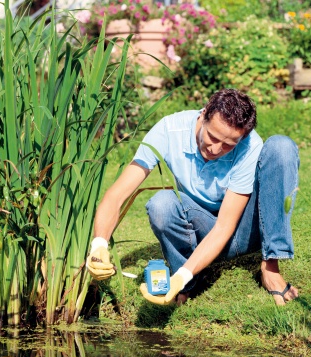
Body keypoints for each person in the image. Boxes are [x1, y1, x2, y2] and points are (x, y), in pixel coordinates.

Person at [85, 88, 299, 306]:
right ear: (203, 114)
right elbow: (116, 196)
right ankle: (190, 279)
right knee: (161, 204)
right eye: (212, 137)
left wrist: (178, 277)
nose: (216, 149)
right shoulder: (169, 130)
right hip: (201, 227)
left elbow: (225, 227)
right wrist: (99, 245)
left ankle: (270, 267)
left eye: (228, 145)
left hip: (245, 230)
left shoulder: (249, 145)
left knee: (281, 147)